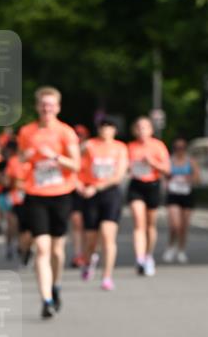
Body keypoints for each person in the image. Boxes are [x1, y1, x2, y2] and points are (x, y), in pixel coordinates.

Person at [18, 87, 80, 318]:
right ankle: (45, 299)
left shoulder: (66, 132)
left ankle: (56, 285)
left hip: (61, 194)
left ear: (58, 107)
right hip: (36, 194)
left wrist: (54, 157)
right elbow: (21, 159)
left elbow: (76, 165)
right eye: (43, 104)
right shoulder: (27, 132)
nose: (47, 109)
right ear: (37, 107)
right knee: (42, 248)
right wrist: (27, 156)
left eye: (51, 105)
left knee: (57, 250)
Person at [78, 119, 128, 289]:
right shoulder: (89, 146)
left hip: (110, 193)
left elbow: (119, 175)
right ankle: (89, 261)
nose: (106, 130)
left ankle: (107, 276)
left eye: (109, 127)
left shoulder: (120, 148)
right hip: (90, 195)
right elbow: (76, 167)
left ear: (114, 130)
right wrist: (80, 186)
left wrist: (97, 187)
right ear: (98, 129)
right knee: (91, 240)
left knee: (108, 235)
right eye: (103, 127)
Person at [126, 116, 170, 276]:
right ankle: (139, 259)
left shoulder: (158, 146)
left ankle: (148, 255)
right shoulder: (130, 147)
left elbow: (167, 169)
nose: (142, 130)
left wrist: (152, 163)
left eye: (145, 127)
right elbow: (124, 167)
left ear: (151, 130)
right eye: (139, 127)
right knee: (139, 223)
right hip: (136, 185)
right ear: (135, 130)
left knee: (150, 226)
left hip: (152, 185)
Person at [162, 138, 201, 263]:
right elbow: (163, 177)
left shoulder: (191, 161)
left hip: (186, 194)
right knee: (175, 225)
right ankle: (170, 246)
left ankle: (181, 249)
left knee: (184, 226)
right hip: (173, 195)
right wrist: (167, 182)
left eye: (182, 148)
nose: (180, 150)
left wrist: (188, 179)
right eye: (177, 148)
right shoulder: (169, 161)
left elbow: (197, 178)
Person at [4, 141, 32, 265]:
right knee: (17, 226)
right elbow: (8, 181)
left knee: (31, 228)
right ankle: (17, 247)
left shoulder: (36, 160)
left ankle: (26, 248)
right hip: (17, 199)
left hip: (34, 197)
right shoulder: (13, 161)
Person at [69, 125, 91, 268]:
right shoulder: (69, 151)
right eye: (76, 135)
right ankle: (78, 254)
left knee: (89, 226)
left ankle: (88, 253)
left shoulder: (92, 150)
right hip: (74, 189)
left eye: (81, 136)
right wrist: (76, 183)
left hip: (91, 190)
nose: (79, 138)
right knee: (77, 223)